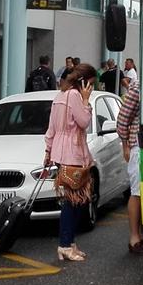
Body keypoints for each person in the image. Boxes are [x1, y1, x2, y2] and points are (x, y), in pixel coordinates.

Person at [43, 63, 96, 262]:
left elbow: (51, 129)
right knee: (73, 202)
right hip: (72, 153)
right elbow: (84, 122)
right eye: (90, 84)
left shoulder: (60, 96)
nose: (91, 88)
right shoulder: (74, 96)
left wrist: (48, 151)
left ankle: (70, 242)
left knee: (78, 201)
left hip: (60, 152)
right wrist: (86, 101)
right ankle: (65, 244)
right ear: (83, 82)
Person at [116, 80, 143, 254]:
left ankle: (142, 235)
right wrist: (125, 144)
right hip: (138, 146)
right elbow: (122, 120)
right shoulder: (137, 89)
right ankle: (134, 237)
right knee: (137, 192)